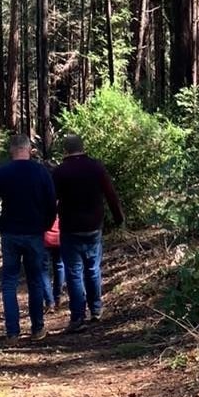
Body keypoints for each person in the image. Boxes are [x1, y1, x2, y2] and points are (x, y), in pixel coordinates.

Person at [52, 133, 125, 333]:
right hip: (93, 227)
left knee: (74, 272)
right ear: (82, 147)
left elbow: (51, 200)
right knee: (92, 268)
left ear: (65, 150)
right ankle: (96, 310)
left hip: (70, 228)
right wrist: (118, 218)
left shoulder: (60, 172)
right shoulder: (96, 167)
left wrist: (47, 222)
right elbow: (111, 193)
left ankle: (77, 317)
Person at [0, 134, 58, 341]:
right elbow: (51, 203)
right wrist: (44, 225)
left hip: (10, 233)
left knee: (9, 283)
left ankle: (12, 332)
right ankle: (37, 328)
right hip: (34, 233)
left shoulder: (1, 173)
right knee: (35, 280)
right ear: (29, 149)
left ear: (12, 150)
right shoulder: (41, 172)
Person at [42, 216, 65, 312]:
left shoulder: (41, 200)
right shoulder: (63, 201)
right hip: (60, 236)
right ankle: (57, 298)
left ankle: (49, 302)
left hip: (43, 237)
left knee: (43, 269)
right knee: (60, 265)